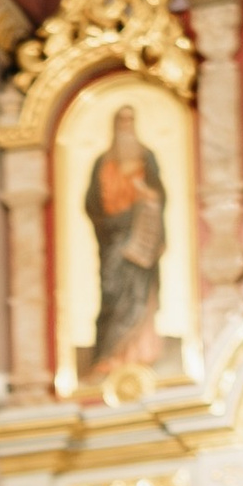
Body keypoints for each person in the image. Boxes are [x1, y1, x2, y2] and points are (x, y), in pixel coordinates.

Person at [80, 102, 169, 378]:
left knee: (141, 295)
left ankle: (141, 352)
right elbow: (92, 203)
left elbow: (159, 197)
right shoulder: (103, 164)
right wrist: (114, 222)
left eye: (130, 121)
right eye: (122, 122)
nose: (126, 128)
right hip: (113, 240)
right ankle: (109, 356)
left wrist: (145, 202)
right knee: (113, 295)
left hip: (142, 238)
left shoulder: (146, 159)